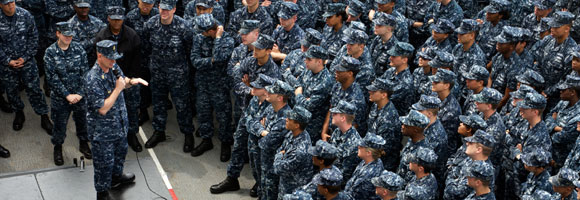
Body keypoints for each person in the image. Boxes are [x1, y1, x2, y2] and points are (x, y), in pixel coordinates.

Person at [85, 40, 148, 200]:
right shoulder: (93, 79)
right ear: (100, 56)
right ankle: (102, 192)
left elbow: (122, 80)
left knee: (120, 155)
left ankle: (116, 178)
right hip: (103, 132)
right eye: (110, 58)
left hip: (119, 125)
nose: (114, 62)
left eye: (115, 58)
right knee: (104, 164)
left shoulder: (112, 66)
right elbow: (103, 108)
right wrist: (118, 88)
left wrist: (131, 81)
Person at [142, 0, 195, 152]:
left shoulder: (183, 26)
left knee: (182, 105)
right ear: (158, 7)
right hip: (158, 73)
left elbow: (189, 49)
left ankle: (188, 133)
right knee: (158, 104)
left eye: (168, 9)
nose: (164, 12)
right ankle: (159, 131)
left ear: (174, 9)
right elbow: (146, 47)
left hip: (178, 75)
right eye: (162, 9)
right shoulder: (150, 25)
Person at [0, 0, 53, 134]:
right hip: (7, 65)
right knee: (12, 91)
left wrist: (25, 57)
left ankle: (43, 116)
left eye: (12, 2)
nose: (11, 6)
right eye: (6, 4)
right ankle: (19, 113)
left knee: (34, 89)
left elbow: (34, 38)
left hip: (27, 62)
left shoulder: (26, 15)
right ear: (0, 5)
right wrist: (8, 60)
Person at [95, 6, 143, 153]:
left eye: (119, 19)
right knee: (110, 110)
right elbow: (97, 60)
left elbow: (137, 60)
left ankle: (132, 134)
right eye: (114, 19)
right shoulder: (101, 37)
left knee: (132, 108)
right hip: (109, 81)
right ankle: (114, 137)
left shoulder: (132, 36)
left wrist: (129, 79)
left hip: (129, 79)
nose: (117, 22)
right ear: (108, 19)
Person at [44, 22, 91, 166]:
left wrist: (80, 94)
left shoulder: (79, 49)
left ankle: (84, 143)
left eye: (71, 35)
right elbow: (51, 78)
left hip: (79, 96)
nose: (69, 37)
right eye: (66, 35)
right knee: (59, 124)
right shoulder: (50, 52)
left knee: (83, 121)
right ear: (58, 33)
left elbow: (86, 73)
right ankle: (57, 148)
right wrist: (67, 95)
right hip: (60, 98)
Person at [189, 14, 235, 160]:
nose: (201, 33)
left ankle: (225, 142)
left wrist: (218, 39)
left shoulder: (227, 40)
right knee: (203, 113)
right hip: (203, 83)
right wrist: (212, 61)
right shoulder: (198, 38)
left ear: (211, 30)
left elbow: (220, 58)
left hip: (220, 85)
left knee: (224, 116)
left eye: (203, 31)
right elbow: (195, 60)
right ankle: (206, 140)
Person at [253, 80, 293, 200]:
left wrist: (259, 133)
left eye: (271, 92)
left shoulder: (285, 118)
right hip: (264, 161)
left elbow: (266, 143)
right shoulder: (271, 108)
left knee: (270, 193)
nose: (267, 93)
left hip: (273, 166)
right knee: (263, 189)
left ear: (280, 98)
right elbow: (252, 121)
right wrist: (263, 132)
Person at [533, 11, 577, 113]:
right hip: (538, 89)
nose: (552, 29)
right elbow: (538, 63)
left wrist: (547, 92)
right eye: (552, 26)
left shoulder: (571, 50)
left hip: (555, 98)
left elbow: (567, 79)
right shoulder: (547, 40)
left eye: (556, 27)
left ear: (567, 29)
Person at [124, 0, 159, 126]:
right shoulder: (130, 17)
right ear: (138, 1)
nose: (146, 6)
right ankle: (143, 111)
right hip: (138, 59)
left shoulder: (158, 15)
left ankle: (158, 115)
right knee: (141, 88)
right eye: (143, 3)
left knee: (156, 88)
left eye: (149, 3)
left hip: (156, 58)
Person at [290, 46, 333, 143]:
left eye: (309, 59)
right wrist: (304, 98)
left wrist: (298, 95)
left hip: (312, 126)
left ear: (319, 62)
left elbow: (309, 106)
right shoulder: (308, 70)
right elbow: (297, 84)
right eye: (306, 58)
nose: (305, 61)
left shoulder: (326, 81)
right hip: (299, 120)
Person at [273, 106, 314, 198]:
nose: (286, 119)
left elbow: (278, 168)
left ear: (297, 125)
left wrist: (279, 156)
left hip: (294, 191)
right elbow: (281, 148)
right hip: (285, 185)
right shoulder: (294, 133)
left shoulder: (300, 150)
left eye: (290, 119)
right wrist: (280, 153)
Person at [366, 78, 402, 171]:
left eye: (374, 91)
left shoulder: (388, 117)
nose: (370, 92)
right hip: (370, 153)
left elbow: (383, 150)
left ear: (384, 95)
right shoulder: (376, 105)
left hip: (383, 164)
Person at [327, 100, 363, 185]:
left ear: (343, 118)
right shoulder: (337, 131)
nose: (332, 115)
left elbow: (344, 176)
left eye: (335, 114)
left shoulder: (354, 144)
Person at [344, 133, 385, 199]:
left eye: (361, 146)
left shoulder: (367, 175)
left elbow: (353, 197)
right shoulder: (372, 160)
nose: (358, 146)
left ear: (368, 153)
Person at [452, 19, 486, 102]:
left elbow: (474, 85)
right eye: (459, 33)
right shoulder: (458, 48)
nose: (458, 36)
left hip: (463, 97)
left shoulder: (477, 57)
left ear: (472, 35)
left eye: (462, 34)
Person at [430, 69, 462, 155]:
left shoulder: (452, 110)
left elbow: (442, 138)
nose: (433, 82)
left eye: (437, 82)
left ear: (446, 85)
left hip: (442, 151)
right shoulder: (435, 95)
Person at [379, 42, 416, 116]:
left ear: (404, 60)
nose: (390, 58)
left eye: (394, 56)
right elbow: (376, 85)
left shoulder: (406, 82)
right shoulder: (391, 71)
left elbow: (382, 97)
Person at [68, 0, 107, 67]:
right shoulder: (70, 25)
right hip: (80, 61)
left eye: (86, 7)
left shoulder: (97, 22)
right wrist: (95, 40)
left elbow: (106, 35)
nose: (84, 10)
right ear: (75, 7)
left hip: (97, 59)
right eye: (81, 8)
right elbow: (76, 47)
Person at [397, 110, 431, 182]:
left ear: (415, 130)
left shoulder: (422, 154)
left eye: (406, 125)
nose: (402, 126)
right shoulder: (412, 140)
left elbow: (412, 180)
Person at [368, 12, 398, 77]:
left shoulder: (394, 48)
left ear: (388, 29)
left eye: (379, 26)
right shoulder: (377, 39)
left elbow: (390, 73)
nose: (375, 27)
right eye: (376, 24)